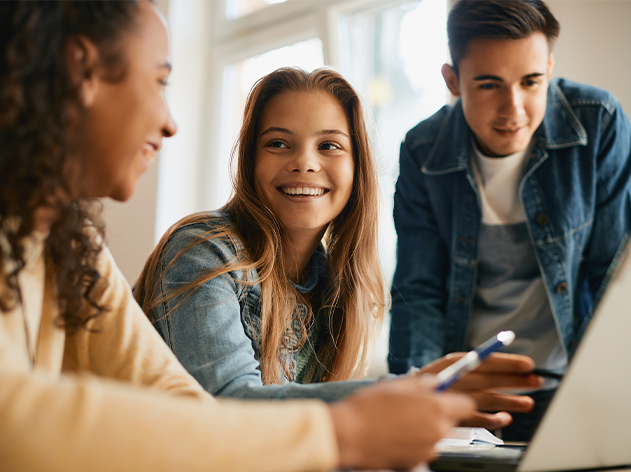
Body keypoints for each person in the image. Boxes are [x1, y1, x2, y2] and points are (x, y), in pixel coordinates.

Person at [0, 1, 480, 471]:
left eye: (330, 145)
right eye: (160, 82)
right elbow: (16, 418)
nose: (170, 122)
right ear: (82, 70)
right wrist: (345, 429)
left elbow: (182, 403)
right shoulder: (205, 249)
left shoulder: (71, 243)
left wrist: (407, 395)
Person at [134, 65, 541, 427]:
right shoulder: (203, 251)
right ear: (250, 161)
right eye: (278, 143)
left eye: (329, 145)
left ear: (356, 167)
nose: (305, 163)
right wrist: (409, 389)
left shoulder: (336, 284)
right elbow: (228, 404)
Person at [389, 0, 631, 441]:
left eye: (531, 81)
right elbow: (418, 292)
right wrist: (420, 394)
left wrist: (608, 390)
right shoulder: (423, 150)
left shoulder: (599, 122)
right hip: (469, 394)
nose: (513, 109)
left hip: (573, 387)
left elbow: (611, 278)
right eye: (489, 85)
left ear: (550, 68)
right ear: (453, 81)